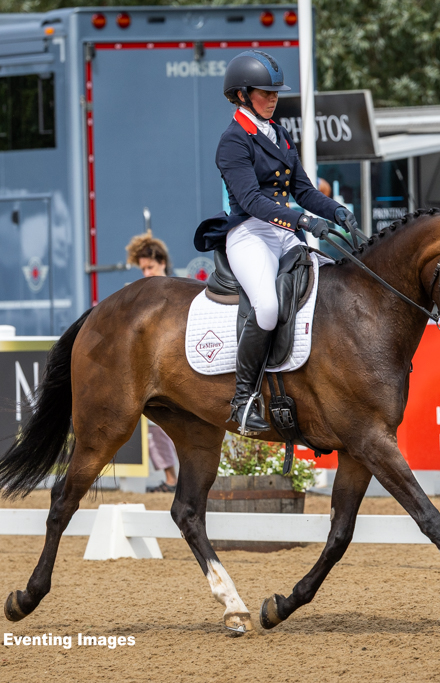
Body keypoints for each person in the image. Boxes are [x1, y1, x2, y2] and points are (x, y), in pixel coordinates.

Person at [193, 50, 359, 434]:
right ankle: (243, 400)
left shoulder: (279, 134)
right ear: (241, 95)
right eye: (265, 93)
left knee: (329, 284)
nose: (273, 99)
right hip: (250, 233)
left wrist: (336, 213)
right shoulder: (233, 141)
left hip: (284, 232)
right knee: (266, 307)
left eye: (275, 93)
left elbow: (302, 189)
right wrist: (304, 221)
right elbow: (253, 201)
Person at [125, 230, 178, 492]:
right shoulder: (145, 296)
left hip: (179, 370)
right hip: (158, 373)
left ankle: (173, 479)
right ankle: (171, 479)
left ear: (163, 263)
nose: (146, 273)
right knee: (157, 425)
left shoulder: (179, 291)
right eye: (143, 268)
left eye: (150, 267)